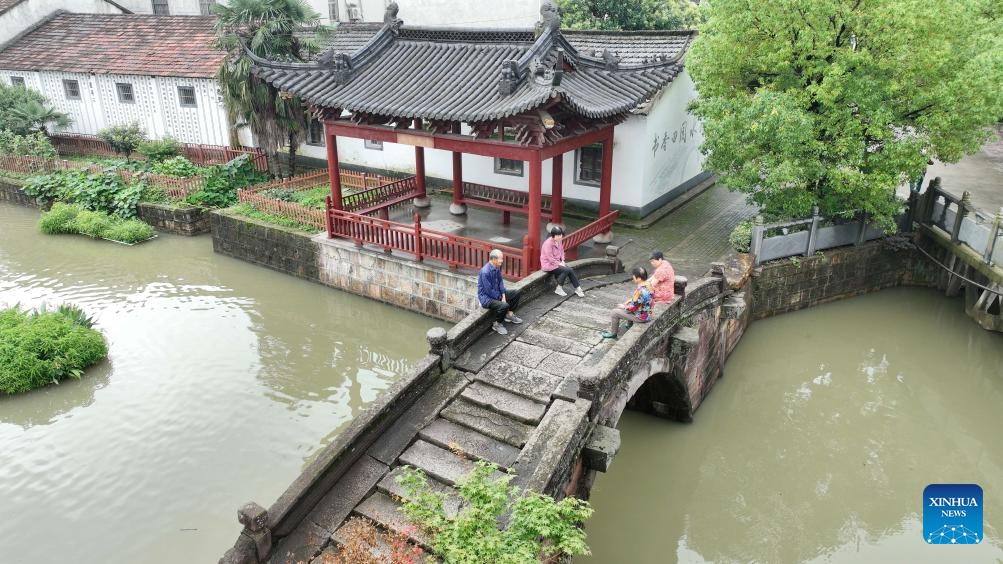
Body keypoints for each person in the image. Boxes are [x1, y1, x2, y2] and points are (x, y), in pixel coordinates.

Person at [478, 249, 523, 335]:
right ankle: (497, 324)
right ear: (494, 259)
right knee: (504, 305)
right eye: (500, 259)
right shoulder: (485, 272)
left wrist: (503, 294)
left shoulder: (497, 267)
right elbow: (488, 291)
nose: (502, 261)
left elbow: (500, 282)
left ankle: (509, 315)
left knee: (516, 293)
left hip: (498, 293)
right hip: (486, 298)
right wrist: (500, 298)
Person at [601, 266, 652, 339]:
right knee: (629, 302)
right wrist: (630, 301)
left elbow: (632, 308)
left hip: (641, 317)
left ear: (639, 278)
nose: (633, 278)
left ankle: (613, 333)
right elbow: (640, 300)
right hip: (647, 313)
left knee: (615, 312)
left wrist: (623, 306)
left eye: (634, 276)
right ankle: (629, 323)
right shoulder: (649, 285)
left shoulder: (640, 291)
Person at [540, 226, 584, 298]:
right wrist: (559, 264)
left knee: (570, 270)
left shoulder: (559, 241)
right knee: (567, 270)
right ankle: (559, 288)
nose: (560, 236)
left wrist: (562, 260)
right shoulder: (547, 244)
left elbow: (561, 251)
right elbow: (550, 258)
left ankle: (578, 288)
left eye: (560, 235)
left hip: (557, 263)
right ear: (553, 236)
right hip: (549, 265)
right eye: (558, 235)